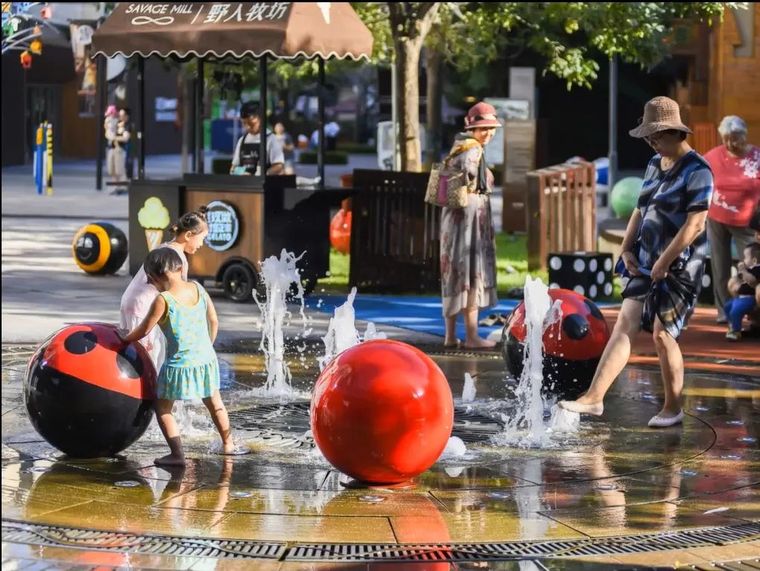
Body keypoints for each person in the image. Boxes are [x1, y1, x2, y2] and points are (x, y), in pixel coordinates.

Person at [560, 96, 714, 428]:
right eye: (648, 137)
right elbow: (640, 210)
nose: (651, 142)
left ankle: (673, 407)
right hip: (645, 259)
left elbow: (695, 224)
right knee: (625, 324)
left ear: (675, 132)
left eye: (656, 136)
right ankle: (594, 398)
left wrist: (664, 263)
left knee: (662, 334)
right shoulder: (653, 165)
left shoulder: (699, 170)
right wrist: (627, 249)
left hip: (682, 266)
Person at [121, 247, 236, 466]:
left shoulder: (163, 300)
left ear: (152, 279)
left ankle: (177, 455)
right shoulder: (198, 289)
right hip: (206, 360)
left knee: (163, 408)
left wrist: (125, 337)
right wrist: (206, 347)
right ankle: (228, 444)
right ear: (181, 268)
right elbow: (214, 320)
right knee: (216, 404)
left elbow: (144, 329)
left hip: (178, 365)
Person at [440, 102, 501, 350]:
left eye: (490, 128)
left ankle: (450, 335)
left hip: (452, 219)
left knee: (452, 272)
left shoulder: (458, 145)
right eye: (482, 128)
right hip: (470, 219)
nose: (487, 133)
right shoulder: (473, 150)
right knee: (471, 272)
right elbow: (470, 175)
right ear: (472, 129)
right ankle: (473, 336)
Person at [120, 208, 209, 369]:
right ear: (188, 235)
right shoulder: (178, 260)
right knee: (149, 358)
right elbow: (178, 296)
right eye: (202, 239)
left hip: (131, 302)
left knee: (135, 353)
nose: (202, 244)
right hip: (144, 308)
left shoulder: (164, 247)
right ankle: (148, 392)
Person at [704, 115, 760, 324]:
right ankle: (723, 311)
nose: (730, 143)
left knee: (753, 266)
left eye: (734, 138)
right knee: (720, 265)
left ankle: (754, 312)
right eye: (726, 139)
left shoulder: (757, 158)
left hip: (747, 222)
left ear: (744, 136)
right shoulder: (712, 156)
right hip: (717, 217)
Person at [230, 101, 284, 176]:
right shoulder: (242, 140)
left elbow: (278, 166)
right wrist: (241, 173)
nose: (248, 127)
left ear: (261, 119)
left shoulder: (271, 139)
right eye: (244, 123)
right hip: (244, 185)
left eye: (251, 124)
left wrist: (263, 174)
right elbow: (233, 168)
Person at [725, 242, 760, 340]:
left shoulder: (757, 269)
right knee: (728, 307)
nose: (743, 260)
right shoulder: (749, 269)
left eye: (745, 258)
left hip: (750, 299)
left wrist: (743, 270)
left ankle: (736, 331)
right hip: (741, 297)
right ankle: (732, 326)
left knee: (736, 311)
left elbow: (752, 280)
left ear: (754, 260)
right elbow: (740, 280)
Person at [107, 107, 132, 195]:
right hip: (112, 149)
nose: (120, 116)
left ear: (126, 116)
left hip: (120, 150)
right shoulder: (117, 124)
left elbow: (126, 138)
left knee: (120, 169)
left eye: (122, 115)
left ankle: (123, 187)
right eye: (119, 115)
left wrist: (115, 138)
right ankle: (116, 187)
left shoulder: (127, 125)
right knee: (112, 170)